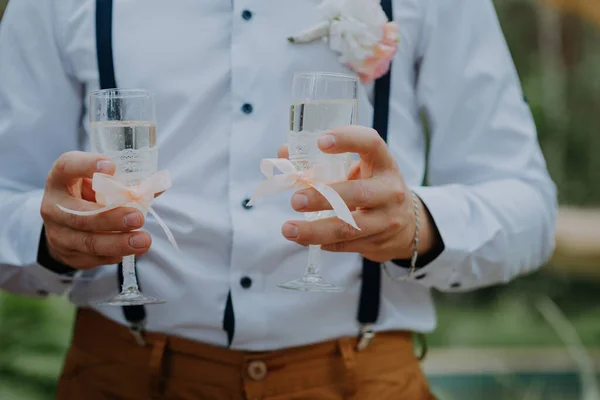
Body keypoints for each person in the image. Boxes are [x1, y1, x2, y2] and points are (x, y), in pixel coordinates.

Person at [0, 0, 557, 399]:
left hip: (362, 380)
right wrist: (48, 238)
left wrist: (420, 223)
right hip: (118, 378)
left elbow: (528, 207)